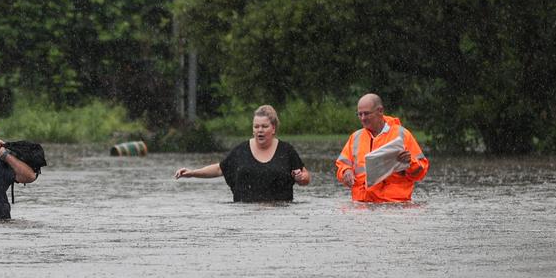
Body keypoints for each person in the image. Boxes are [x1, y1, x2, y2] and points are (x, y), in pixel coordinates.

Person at [174, 105, 310, 202]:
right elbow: (219, 169)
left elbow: (306, 177)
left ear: (273, 128)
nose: (260, 130)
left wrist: (300, 178)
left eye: (264, 126)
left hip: (281, 216)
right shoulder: (241, 150)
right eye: (256, 127)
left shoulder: (286, 151)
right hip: (246, 217)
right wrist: (192, 173)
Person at [336, 93, 429, 202]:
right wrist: (346, 171)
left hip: (394, 205)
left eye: (366, 114)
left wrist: (410, 162)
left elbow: (421, 173)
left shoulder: (402, 134)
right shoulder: (356, 137)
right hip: (362, 205)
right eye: (359, 114)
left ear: (380, 111)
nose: (362, 118)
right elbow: (342, 164)